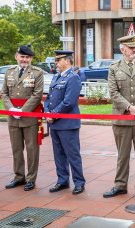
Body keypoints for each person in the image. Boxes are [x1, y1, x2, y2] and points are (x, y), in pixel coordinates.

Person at [103, 34, 135, 200]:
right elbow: (113, 92)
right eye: (131, 47)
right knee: (122, 154)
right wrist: (129, 107)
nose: (134, 50)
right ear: (122, 49)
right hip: (122, 118)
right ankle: (120, 185)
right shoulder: (114, 67)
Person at [1, 45, 44, 191]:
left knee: (32, 149)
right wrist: (11, 109)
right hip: (13, 116)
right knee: (16, 149)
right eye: (22, 56)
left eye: (27, 57)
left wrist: (23, 110)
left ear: (31, 58)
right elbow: (4, 93)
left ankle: (31, 178)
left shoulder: (37, 73)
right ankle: (19, 177)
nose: (24, 59)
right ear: (16, 57)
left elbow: (37, 94)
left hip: (29, 117)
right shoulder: (9, 72)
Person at [44, 50, 86, 195]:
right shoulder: (57, 77)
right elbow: (48, 97)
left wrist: (53, 115)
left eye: (58, 60)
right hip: (55, 123)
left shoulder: (73, 77)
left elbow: (68, 102)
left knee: (72, 154)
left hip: (67, 123)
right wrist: (47, 112)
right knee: (58, 154)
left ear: (67, 61)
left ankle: (79, 182)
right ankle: (62, 180)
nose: (56, 63)